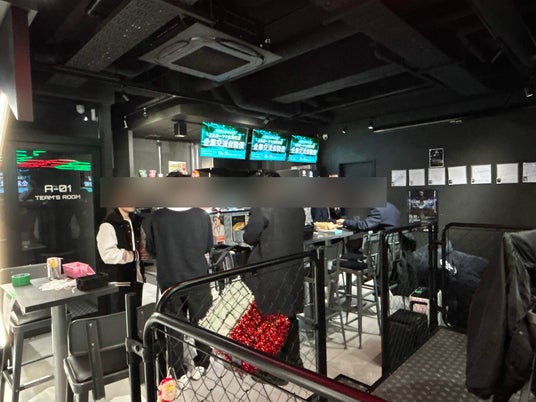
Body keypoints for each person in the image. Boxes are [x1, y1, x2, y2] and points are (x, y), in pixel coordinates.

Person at [144, 172, 213, 389]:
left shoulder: (155, 218)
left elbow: (152, 250)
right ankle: (202, 362)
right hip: (198, 278)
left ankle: (178, 370)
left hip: (170, 280)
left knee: (173, 326)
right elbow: (207, 246)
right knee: (202, 322)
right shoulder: (201, 216)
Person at [242, 174, 305, 384]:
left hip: (270, 273)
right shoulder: (297, 206)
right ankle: (294, 363)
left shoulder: (262, 207)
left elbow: (249, 237)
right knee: (290, 317)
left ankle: (273, 371)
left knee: (270, 319)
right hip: (293, 270)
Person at [96, 207, 146, 314]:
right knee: (119, 319)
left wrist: (144, 248)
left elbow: (142, 241)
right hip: (118, 284)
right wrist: (135, 255)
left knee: (134, 317)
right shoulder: (108, 225)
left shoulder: (136, 221)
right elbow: (108, 255)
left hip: (136, 281)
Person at [336, 202, 401, 232]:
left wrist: (345, 222)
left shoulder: (377, 210)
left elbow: (365, 226)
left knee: (350, 244)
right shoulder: (391, 206)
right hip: (394, 242)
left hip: (382, 243)